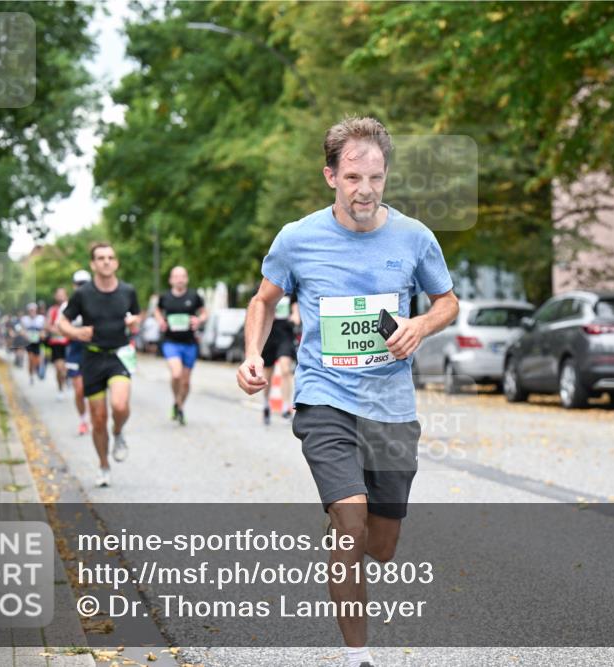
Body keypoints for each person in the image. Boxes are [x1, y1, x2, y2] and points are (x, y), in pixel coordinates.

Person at [236, 117, 458, 667]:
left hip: (391, 409)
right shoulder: (297, 239)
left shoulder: (414, 237)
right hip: (325, 399)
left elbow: (448, 302)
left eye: (376, 178)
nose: (365, 190)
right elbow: (263, 301)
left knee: (380, 546)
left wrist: (421, 326)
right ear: (331, 175)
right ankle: (358, 655)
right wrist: (252, 355)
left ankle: (342, 522)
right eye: (354, 177)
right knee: (353, 523)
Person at [57, 244, 141, 488]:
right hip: (92, 358)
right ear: (93, 264)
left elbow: (136, 317)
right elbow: (62, 322)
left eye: (110, 258)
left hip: (119, 356)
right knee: (98, 418)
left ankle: (118, 432)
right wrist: (75, 332)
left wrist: (135, 321)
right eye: (100, 258)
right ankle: (104, 465)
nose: (106, 262)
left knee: (120, 405)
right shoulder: (83, 294)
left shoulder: (128, 291)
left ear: (116, 263)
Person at [155, 266, 207, 425]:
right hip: (171, 342)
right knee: (176, 374)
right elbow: (157, 310)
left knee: (185, 381)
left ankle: (179, 405)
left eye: (182, 276)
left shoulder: (194, 296)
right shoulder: (165, 297)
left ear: (186, 279)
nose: (179, 279)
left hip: (190, 343)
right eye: (176, 276)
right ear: (171, 280)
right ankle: (177, 402)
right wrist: (160, 321)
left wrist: (199, 320)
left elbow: (204, 312)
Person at [260, 293, 300, 424]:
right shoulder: (265, 288)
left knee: (285, 370)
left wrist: (295, 316)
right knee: (267, 374)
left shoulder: (291, 291)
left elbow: (296, 314)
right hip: (268, 335)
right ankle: (266, 403)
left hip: (285, 336)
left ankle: (286, 407)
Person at [61, 271, 92, 435]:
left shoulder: (97, 301)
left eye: (85, 283)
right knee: (79, 390)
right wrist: (76, 332)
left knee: (94, 389)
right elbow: (61, 327)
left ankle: (96, 415)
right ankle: (83, 419)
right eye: (79, 284)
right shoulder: (67, 306)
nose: (82, 287)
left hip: (94, 350)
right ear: (74, 285)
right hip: (75, 350)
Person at [45, 287, 71, 401]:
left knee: (67, 368)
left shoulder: (71, 308)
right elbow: (47, 325)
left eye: (62, 294)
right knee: (59, 368)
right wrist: (55, 330)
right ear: (55, 297)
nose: (60, 296)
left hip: (70, 342)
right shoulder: (52, 310)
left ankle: (68, 379)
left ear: (66, 296)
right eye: (58, 294)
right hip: (56, 343)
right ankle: (60, 389)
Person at [19, 303, 45, 384]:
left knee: (36, 360)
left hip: (37, 342)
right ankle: (31, 376)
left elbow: (44, 330)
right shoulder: (24, 319)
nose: (32, 312)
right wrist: (24, 334)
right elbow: (22, 330)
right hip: (29, 342)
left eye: (33, 310)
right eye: (30, 310)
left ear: (36, 310)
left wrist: (42, 334)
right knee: (30, 359)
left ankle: (37, 369)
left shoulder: (41, 319)